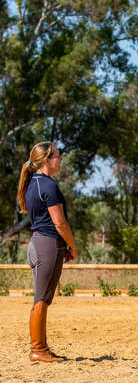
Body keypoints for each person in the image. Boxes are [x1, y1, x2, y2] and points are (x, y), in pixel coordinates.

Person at [17, 142, 77, 362]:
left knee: (43, 298)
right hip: (47, 244)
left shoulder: (35, 183)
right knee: (41, 299)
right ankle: (38, 349)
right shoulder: (48, 186)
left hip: (39, 243)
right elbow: (60, 223)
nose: (60, 159)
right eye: (57, 156)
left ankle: (41, 347)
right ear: (46, 161)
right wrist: (72, 245)